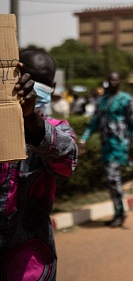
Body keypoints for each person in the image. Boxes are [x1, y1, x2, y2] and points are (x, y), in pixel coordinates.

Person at [0, 48, 78, 280]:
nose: (33, 86)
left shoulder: (55, 127)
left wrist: (30, 117)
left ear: (52, 88)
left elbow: (67, 161)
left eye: (43, 83)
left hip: (27, 263)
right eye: (28, 77)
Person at [79, 71, 133, 227]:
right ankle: (118, 211)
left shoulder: (126, 100)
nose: (113, 83)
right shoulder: (102, 101)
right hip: (106, 145)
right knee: (111, 179)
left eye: (116, 80)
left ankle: (120, 213)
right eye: (110, 80)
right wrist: (83, 139)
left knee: (113, 178)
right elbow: (94, 123)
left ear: (120, 82)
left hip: (119, 145)